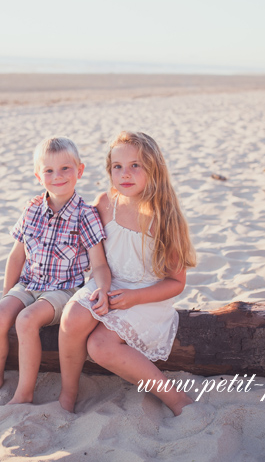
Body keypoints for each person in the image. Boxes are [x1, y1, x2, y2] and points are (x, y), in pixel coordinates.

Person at [58, 131, 197, 416]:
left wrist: (134, 297)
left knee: (100, 346)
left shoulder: (165, 218)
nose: (125, 174)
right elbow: (91, 250)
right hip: (106, 280)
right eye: (117, 166)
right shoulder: (105, 204)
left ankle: (175, 399)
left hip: (145, 295)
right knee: (72, 319)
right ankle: (68, 394)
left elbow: (176, 282)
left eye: (136, 165)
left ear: (153, 169)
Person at [0, 136, 111, 409]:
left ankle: (24, 393)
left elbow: (99, 264)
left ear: (80, 171)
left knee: (26, 320)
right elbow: (16, 256)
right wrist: (7, 297)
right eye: (48, 170)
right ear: (39, 176)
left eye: (65, 169)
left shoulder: (85, 214)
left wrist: (103, 290)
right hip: (29, 283)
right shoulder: (32, 209)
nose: (57, 176)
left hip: (63, 289)